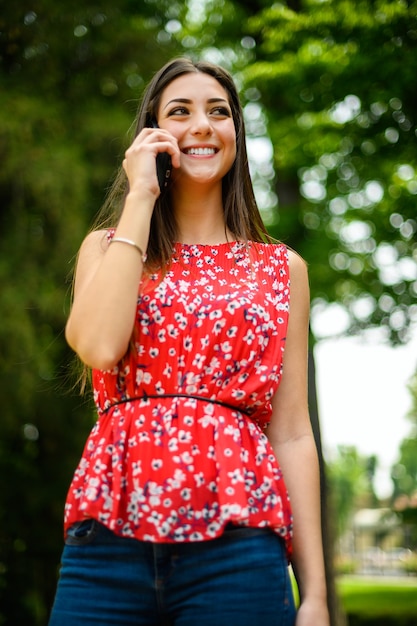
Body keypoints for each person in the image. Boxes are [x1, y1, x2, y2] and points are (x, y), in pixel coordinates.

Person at [49, 57, 329, 626]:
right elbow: (100, 346)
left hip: (240, 541)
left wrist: (317, 596)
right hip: (108, 536)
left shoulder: (282, 268)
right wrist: (140, 197)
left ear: (236, 137)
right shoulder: (106, 249)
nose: (202, 125)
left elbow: (293, 431)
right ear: (152, 135)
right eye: (180, 111)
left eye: (219, 112)